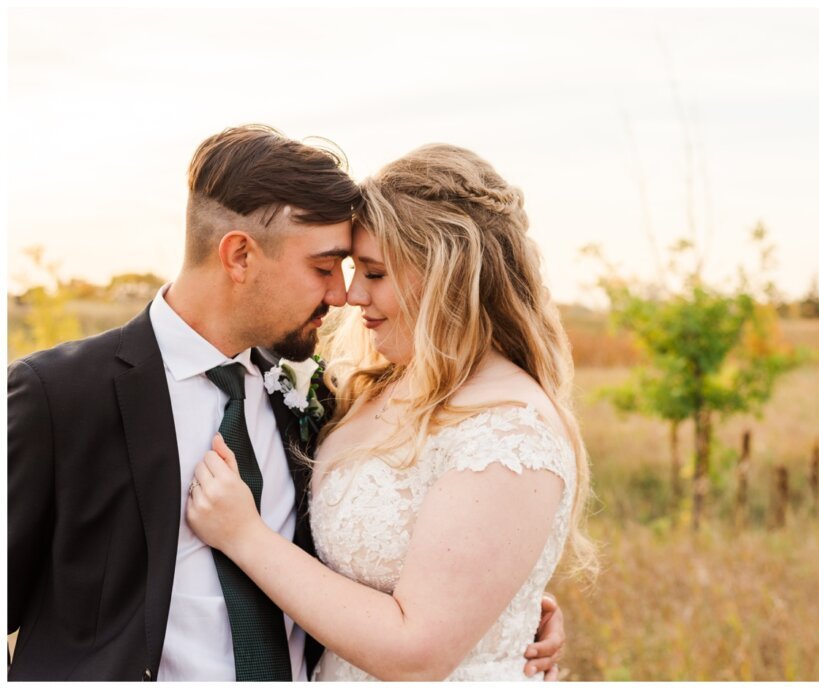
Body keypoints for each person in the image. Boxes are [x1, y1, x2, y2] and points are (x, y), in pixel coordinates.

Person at [7, 126, 564, 681]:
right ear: (240, 256)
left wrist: (497, 610)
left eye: (360, 271)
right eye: (325, 269)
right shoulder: (60, 396)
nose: (341, 294)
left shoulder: (308, 393)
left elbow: (398, 552)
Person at [186, 143, 596, 681]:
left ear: (448, 275)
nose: (351, 295)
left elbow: (418, 650)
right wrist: (500, 599)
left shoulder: (509, 427)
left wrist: (244, 536)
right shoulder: (376, 386)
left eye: (375, 274)